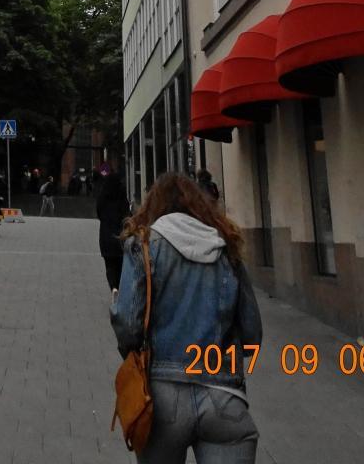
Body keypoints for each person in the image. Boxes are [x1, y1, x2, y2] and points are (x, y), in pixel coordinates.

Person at [111, 172, 262, 462]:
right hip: (223, 396)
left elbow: (128, 326)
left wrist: (133, 353)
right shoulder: (226, 248)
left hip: (162, 398)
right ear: (200, 206)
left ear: (153, 206)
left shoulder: (144, 244)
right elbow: (252, 333)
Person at [96, 163, 130, 293]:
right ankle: (120, 288)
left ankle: (113, 287)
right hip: (121, 236)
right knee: (121, 264)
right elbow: (127, 215)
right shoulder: (121, 195)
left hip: (106, 235)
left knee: (109, 265)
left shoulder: (103, 195)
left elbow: (99, 212)